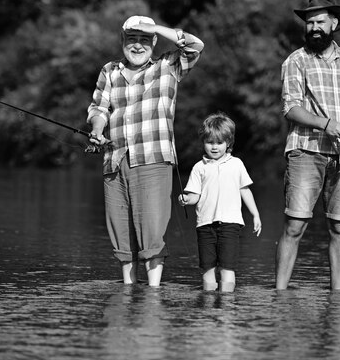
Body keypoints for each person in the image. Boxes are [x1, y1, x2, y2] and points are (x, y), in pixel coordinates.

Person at [87, 15, 204, 287]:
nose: (137, 46)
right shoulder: (109, 70)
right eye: (131, 39)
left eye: (143, 39)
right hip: (114, 160)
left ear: (153, 41)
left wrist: (155, 28)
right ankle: (128, 290)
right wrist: (97, 129)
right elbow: (98, 108)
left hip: (153, 159)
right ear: (122, 42)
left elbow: (196, 45)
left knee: (151, 234)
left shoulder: (168, 65)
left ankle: (153, 295)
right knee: (121, 235)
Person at [275, 0, 340, 290]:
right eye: (309, 22)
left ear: (334, 23)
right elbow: (290, 108)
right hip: (306, 151)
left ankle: (337, 295)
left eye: (319, 21)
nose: (313, 27)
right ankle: (279, 293)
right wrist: (325, 124)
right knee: (295, 226)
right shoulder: (296, 61)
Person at [178, 112, 262, 292]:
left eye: (219, 143)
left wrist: (255, 214)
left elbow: (244, 190)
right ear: (203, 142)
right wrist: (186, 199)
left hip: (230, 224)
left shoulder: (237, 164)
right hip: (205, 224)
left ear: (228, 143)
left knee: (227, 267)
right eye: (210, 142)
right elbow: (195, 195)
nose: (214, 147)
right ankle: (208, 307)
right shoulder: (199, 167)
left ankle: (227, 307)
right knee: (208, 268)